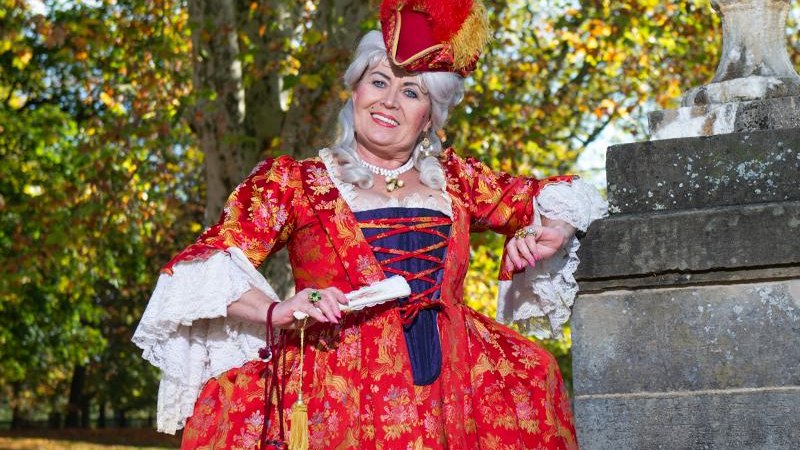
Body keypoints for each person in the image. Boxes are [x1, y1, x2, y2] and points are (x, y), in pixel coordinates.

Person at [133, 1, 606, 448]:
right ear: (356, 90)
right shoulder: (296, 183)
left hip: (454, 388)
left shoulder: (460, 182)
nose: (389, 101)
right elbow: (206, 263)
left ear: (429, 119)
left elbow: (555, 198)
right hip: (334, 394)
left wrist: (545, 233)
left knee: (535, 373)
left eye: (411, 92)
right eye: (379, 82)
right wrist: (277, 310)